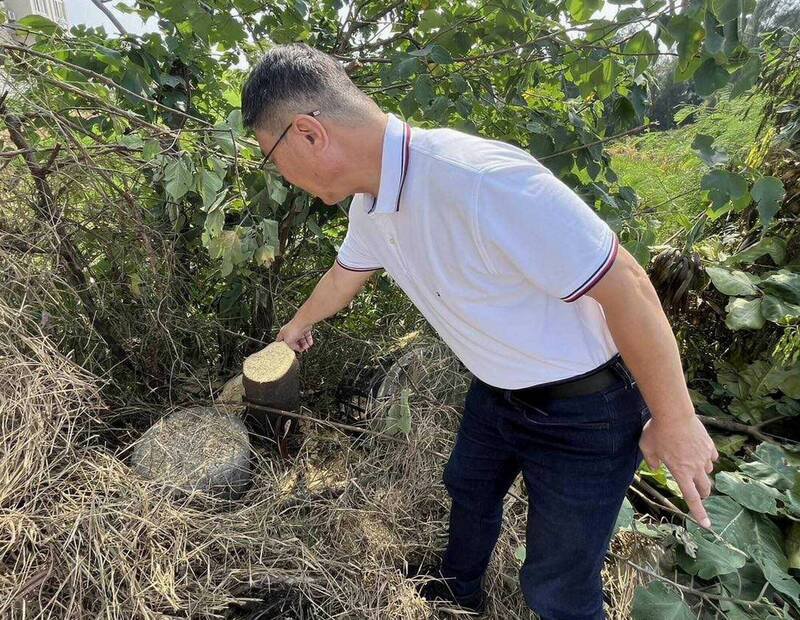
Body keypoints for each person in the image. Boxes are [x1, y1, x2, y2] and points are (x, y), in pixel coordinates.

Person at [241, 43, 719, 619]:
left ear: (308, 134)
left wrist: (676, 419)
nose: (284, 178)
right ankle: (457, 589)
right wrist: (297, 325)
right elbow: (347, 273)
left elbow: (626, 286)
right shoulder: (369, 206)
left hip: (586, 410)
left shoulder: (479, 181)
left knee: (557, 586)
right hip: (497, 391)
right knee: (467, 487)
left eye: (273, 158)